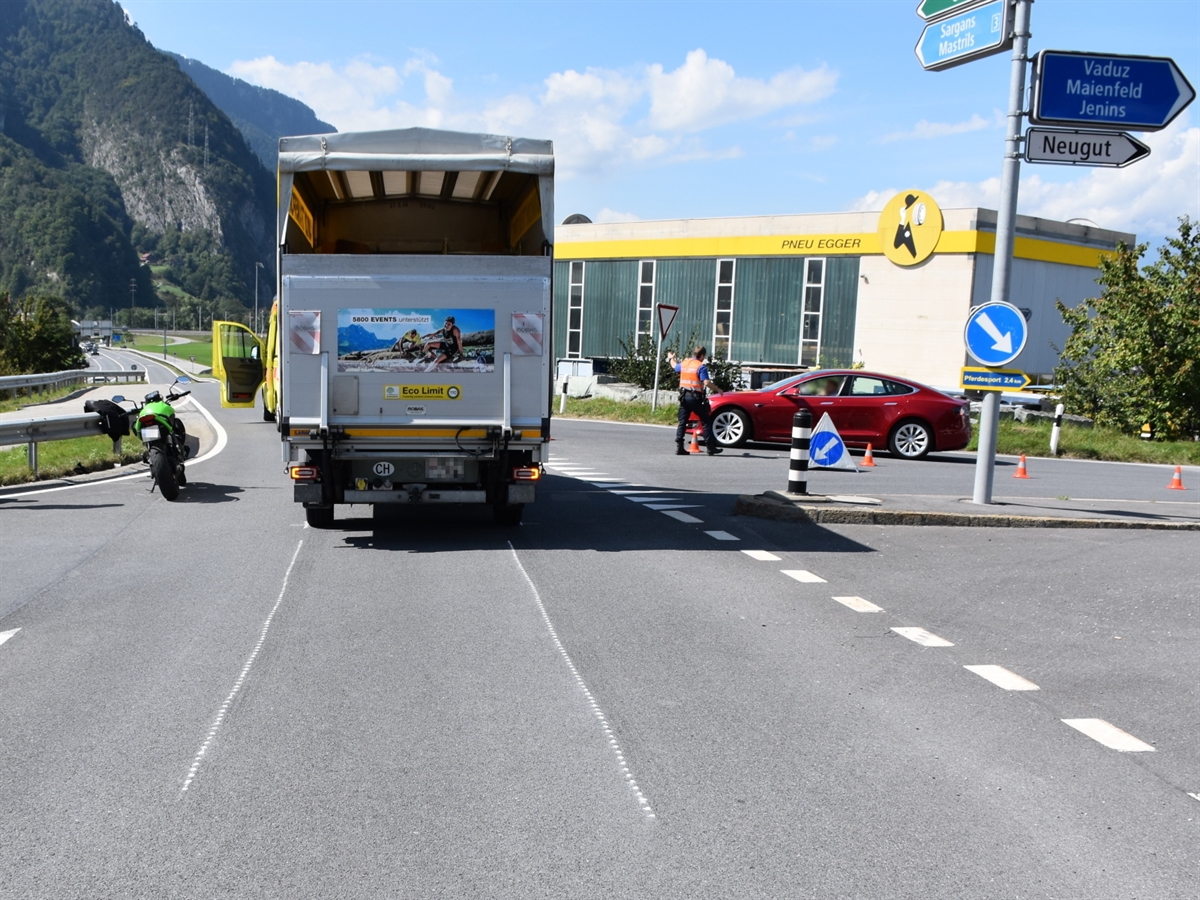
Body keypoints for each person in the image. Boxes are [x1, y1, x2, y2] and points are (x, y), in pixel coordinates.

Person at [667, 345, 723, 456]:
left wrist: (670, 358)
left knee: (682, 422)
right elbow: (706, 382)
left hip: (684, 397)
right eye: (704, 356)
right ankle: (710, 447)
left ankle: (680, 447)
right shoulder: (701, 366)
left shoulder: (685, 363)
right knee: (706, 421)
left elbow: (674, 366)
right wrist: (718, 389)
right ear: (702, 355)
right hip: (695, 398)